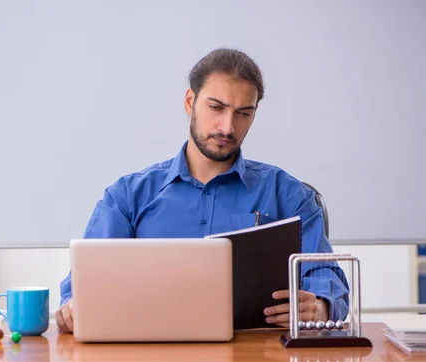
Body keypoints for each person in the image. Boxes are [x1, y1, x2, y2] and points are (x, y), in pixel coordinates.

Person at [55, 48, 349, 333]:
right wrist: (74, 308)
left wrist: (321, 306)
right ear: (189, 102)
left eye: (243, 113)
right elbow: (84, 283)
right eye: (216, 107)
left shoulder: (290, 196)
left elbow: (325, 277)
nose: (227, 127)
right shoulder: (127, 197)